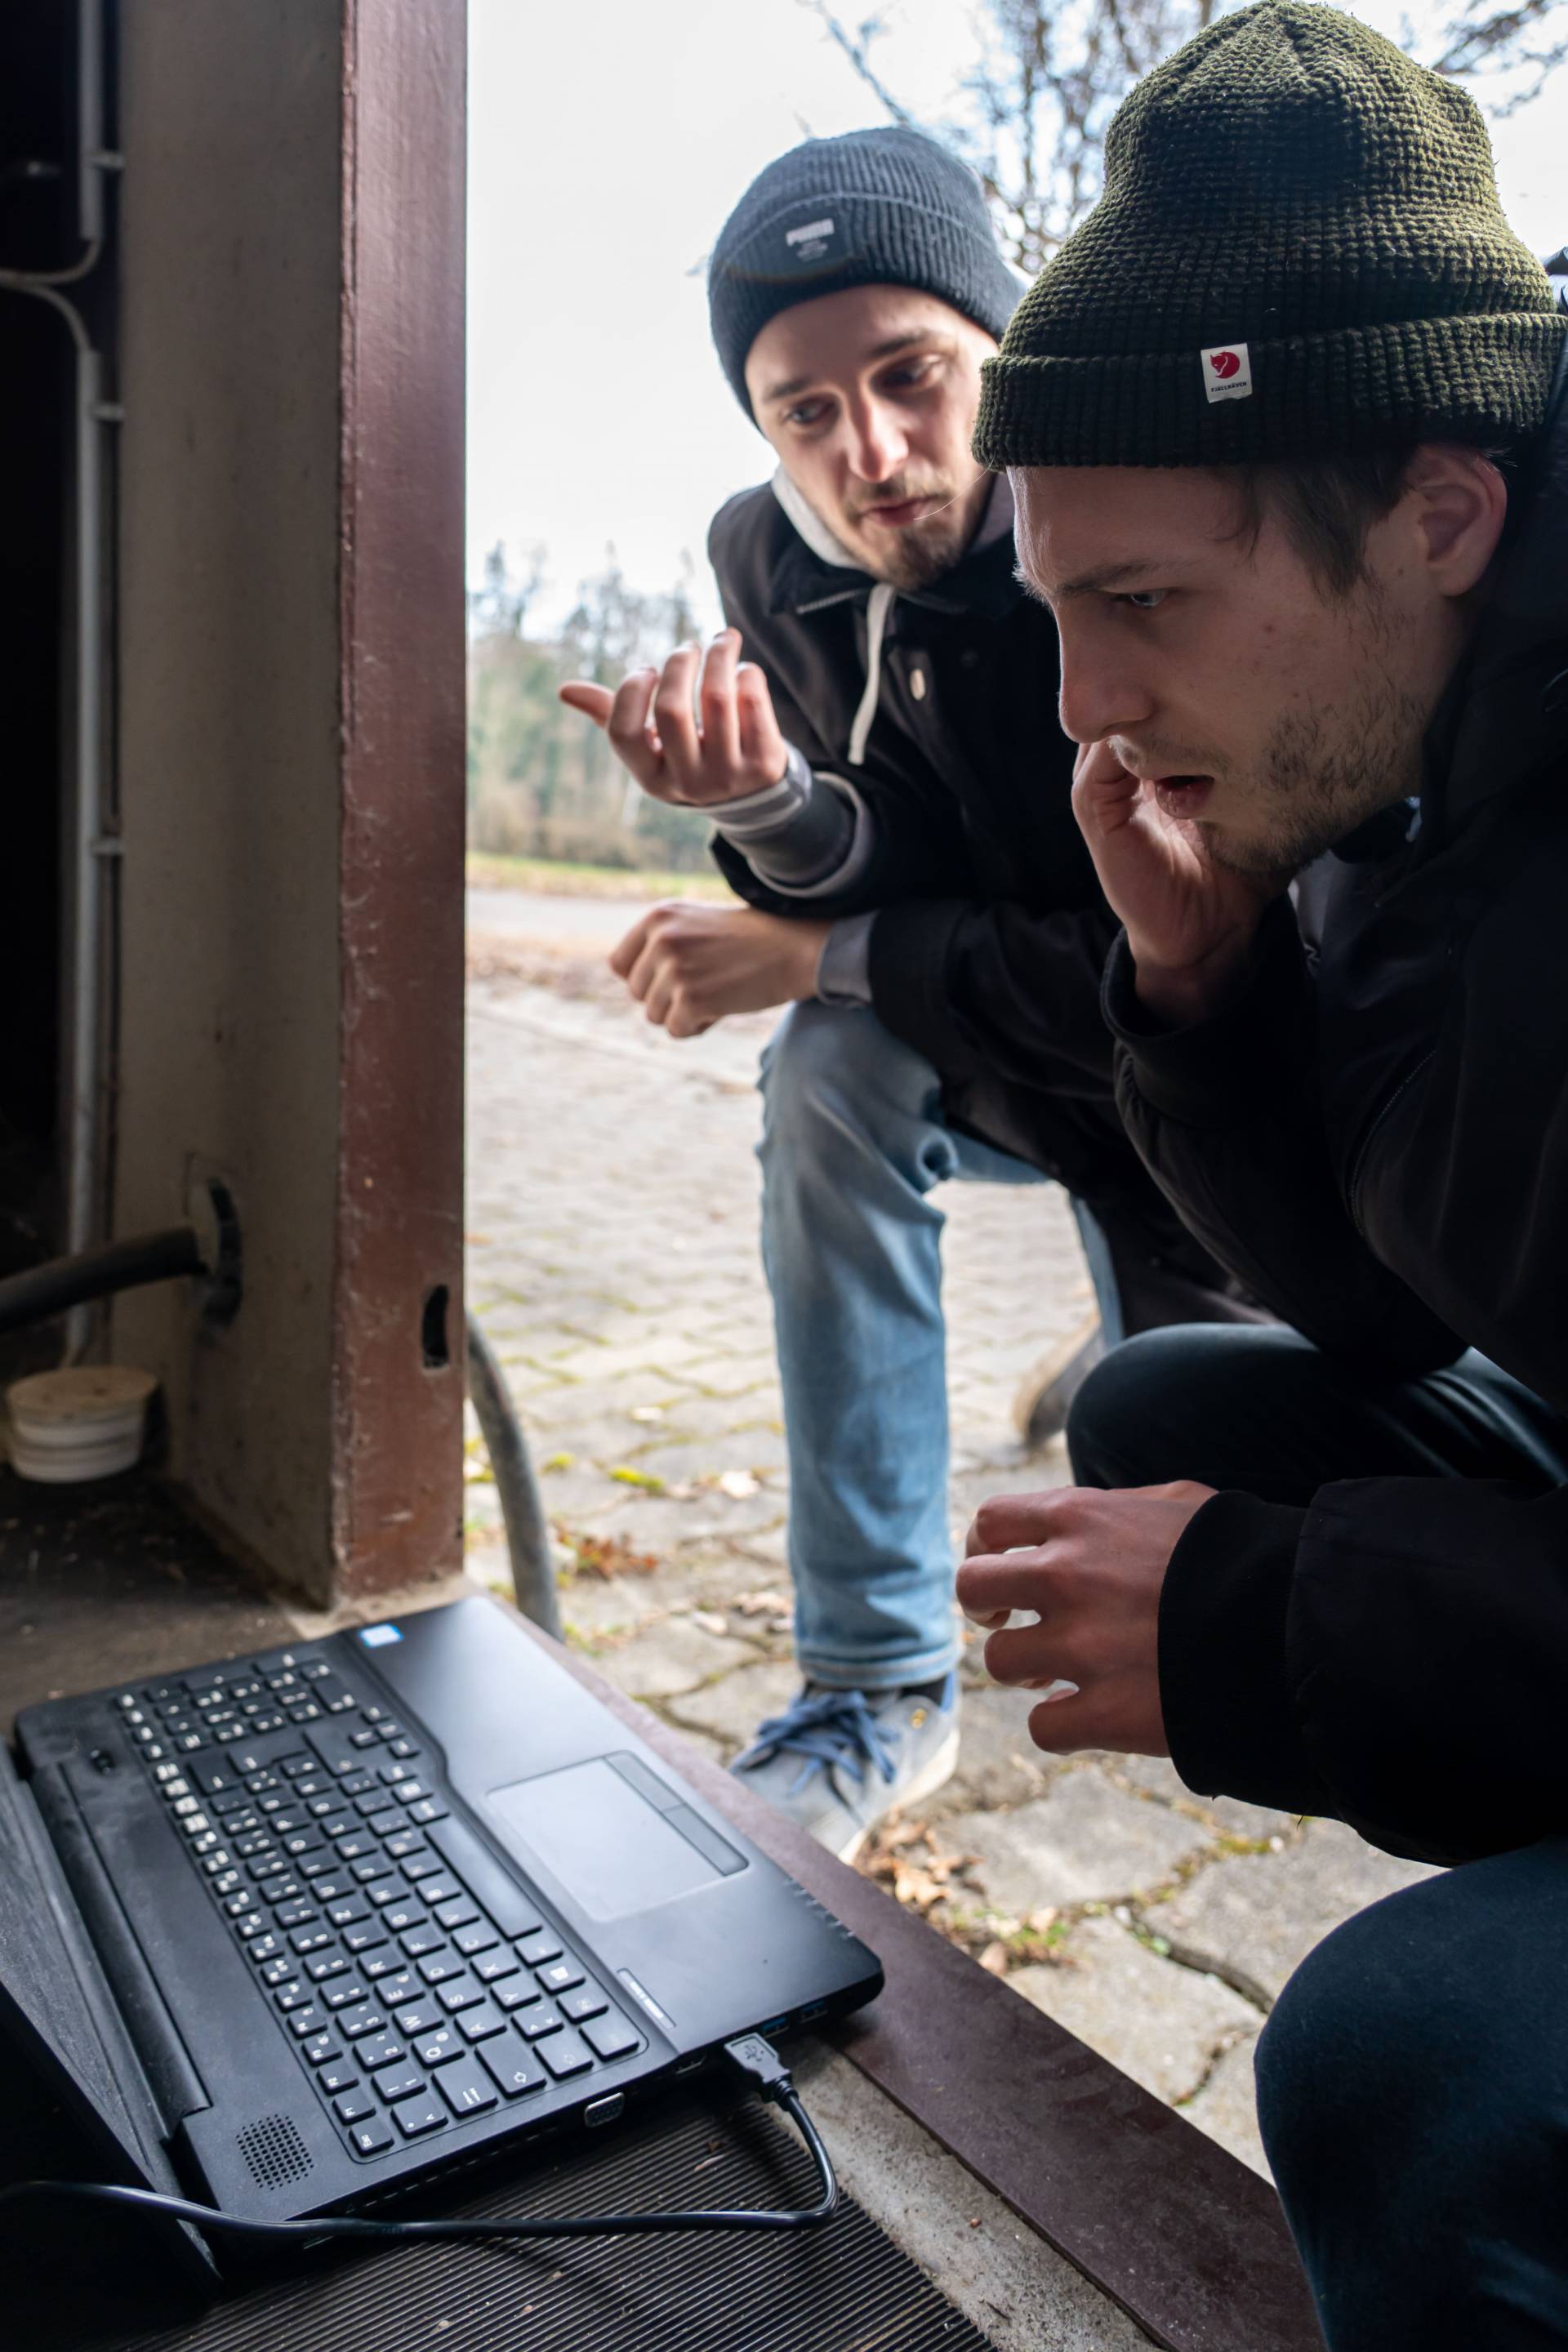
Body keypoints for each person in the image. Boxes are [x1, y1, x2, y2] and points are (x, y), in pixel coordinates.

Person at [951, 5, 1568, 2341]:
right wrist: (1204, 1002)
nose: (1090, 708)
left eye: (1147, 604)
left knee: (1408, 2059)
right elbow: (1403, 1310)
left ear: (1440, 508)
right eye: (1059, 611)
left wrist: (1276, 1633)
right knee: (1166, 1413)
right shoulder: (1394, 728)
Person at [562, 127, 1255, 1859]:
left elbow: (1173, 947)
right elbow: (911, 836)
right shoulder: (771, 558)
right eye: (805, 408)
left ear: (998, 361)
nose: (870, 452)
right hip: (998, 1044)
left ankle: (1158, 1339)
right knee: (830, 1072)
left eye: (912, 374)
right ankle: (875, 1684)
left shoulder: (1131, 512)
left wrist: (819, 948)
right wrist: (763, 812)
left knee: (1213, 1540)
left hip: (1229, 1082)